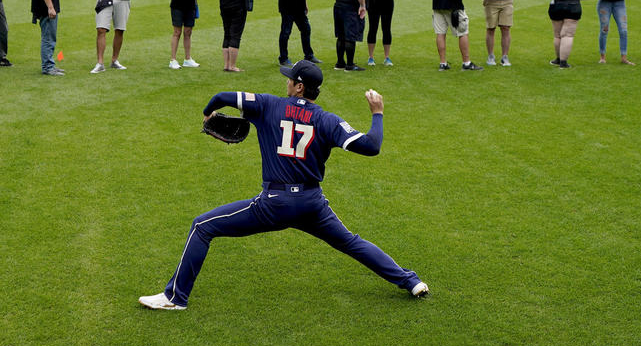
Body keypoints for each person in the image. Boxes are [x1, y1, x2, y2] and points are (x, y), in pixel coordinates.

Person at [138, 60, 428, 311]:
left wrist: (207, 114)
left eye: (290, 78)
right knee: (351, 242)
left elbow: (221, 96)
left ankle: (174, 298)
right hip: (312, 205)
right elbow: (371, 146)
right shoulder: (328, 120)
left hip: (274, 205)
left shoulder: (268, 104)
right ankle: (411, 281)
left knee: (203, 226)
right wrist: (377, 112)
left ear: (299, 87)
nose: (286, 81)